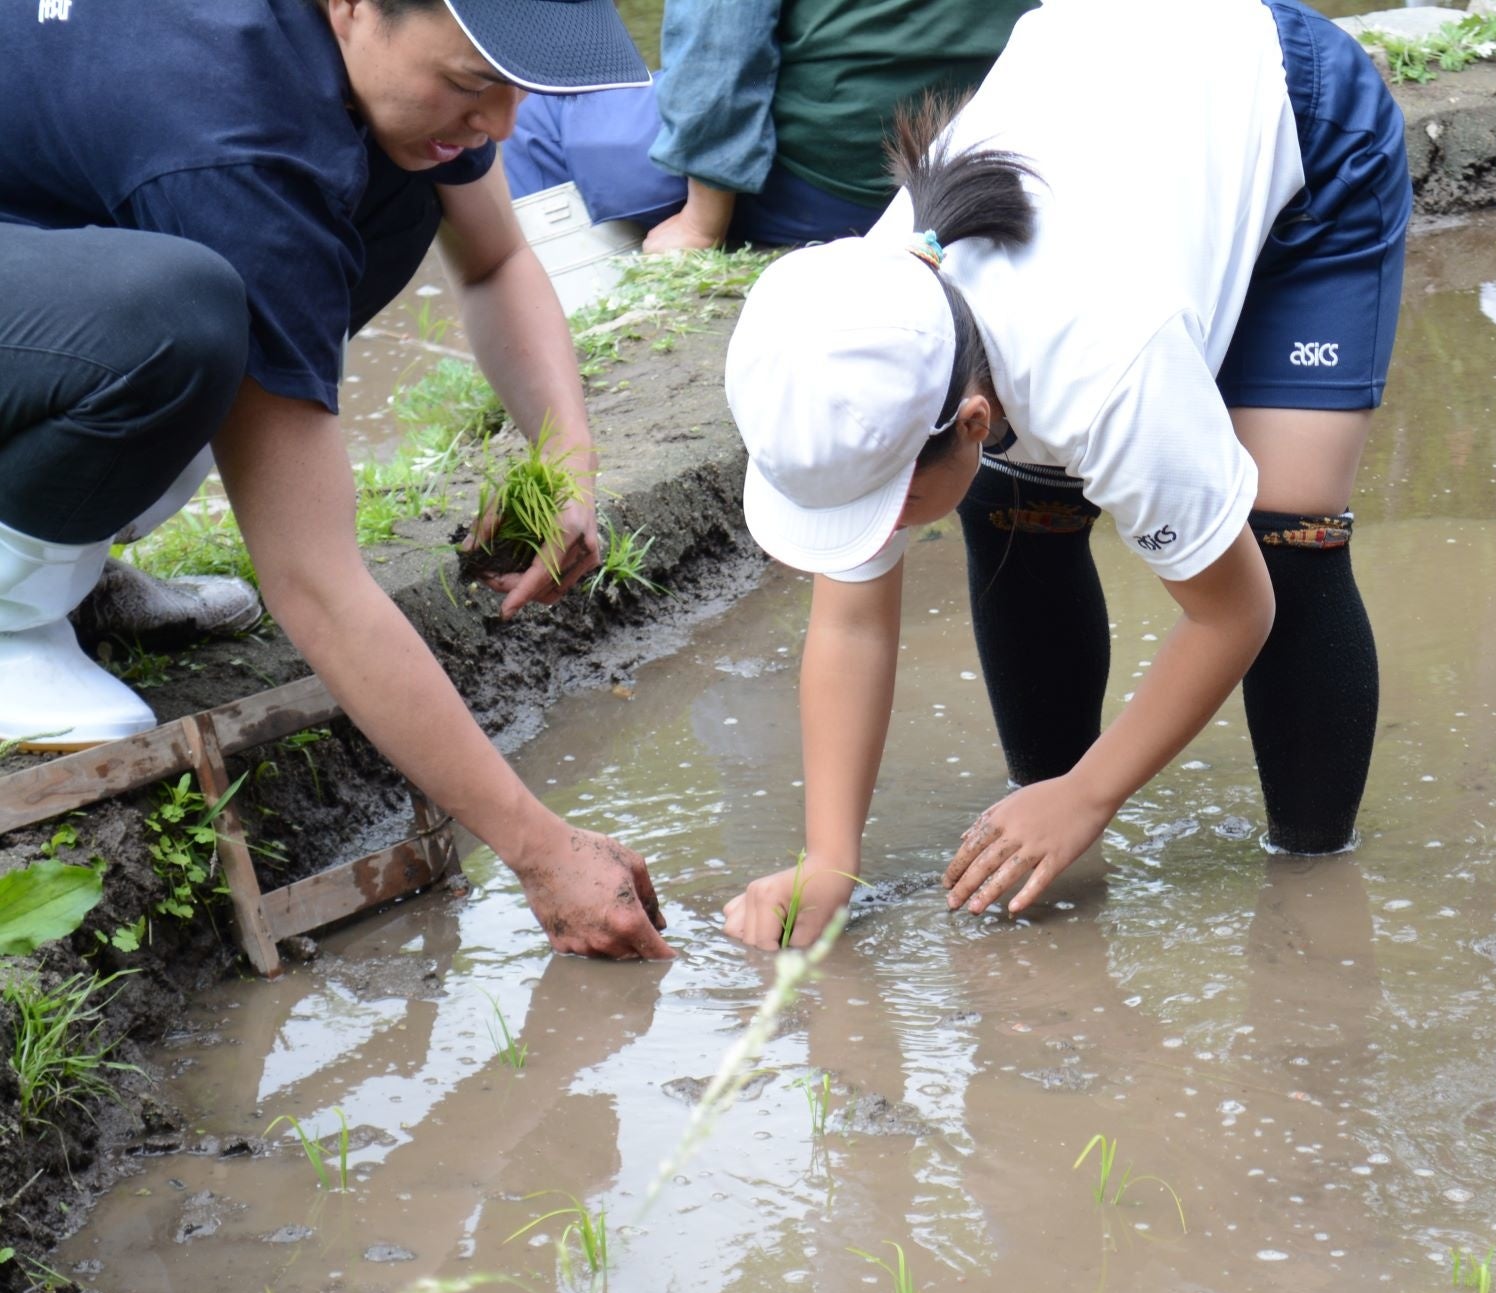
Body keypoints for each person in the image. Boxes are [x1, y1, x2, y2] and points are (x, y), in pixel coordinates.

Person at [716, 0, 1407, 949]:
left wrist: (1092, 795)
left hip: (1287, 109)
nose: (874, 537)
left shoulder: (1108, 363)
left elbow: (1232, 611)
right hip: (1114, 133)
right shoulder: (861, 332)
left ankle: (1316, 890)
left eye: (887, 506)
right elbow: (851, 617)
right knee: (1012, 510)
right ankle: (1034, 824)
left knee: (1286, 536)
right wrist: (827, 855)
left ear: (970, 419)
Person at [0, 0, 672, 959]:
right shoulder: (233, 132)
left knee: (389, 193)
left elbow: (494, 262)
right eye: (478, 85)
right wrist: (539, 849)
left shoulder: (384, 83)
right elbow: (313, 580)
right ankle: (9, 624)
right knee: (175, 319)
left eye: (516, 91)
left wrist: (566, 468)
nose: (503, 127)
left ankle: (66, 556)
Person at [501, 0, 1034, 256]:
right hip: (984, 160)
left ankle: (578, 334)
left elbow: (721, 37)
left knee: (529, 114)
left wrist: (702, 222)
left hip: (840, 178)